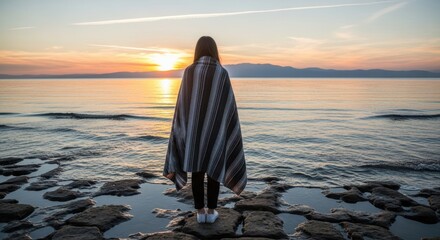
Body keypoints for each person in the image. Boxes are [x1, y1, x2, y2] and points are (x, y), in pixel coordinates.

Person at [164, 36, 247, 224]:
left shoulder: (189, 72)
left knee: (197, 171)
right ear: (214, 50)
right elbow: (228, 108)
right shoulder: (221, 73)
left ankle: (200, 213)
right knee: (214, 168)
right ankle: (211, 211)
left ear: (197, 50)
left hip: (194, 132)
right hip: (216, 131)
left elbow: (182, 106)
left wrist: (182, 130)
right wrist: (225, 130)